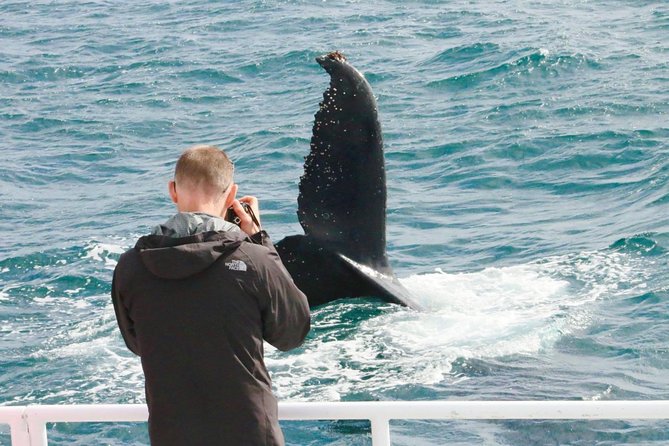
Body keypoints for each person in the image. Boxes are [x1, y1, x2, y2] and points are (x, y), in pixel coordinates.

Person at [111, 145, 310, 446]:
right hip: (250, 434)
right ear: (231, 195)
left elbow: (139, 344)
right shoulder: (253, 260)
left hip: (172, 435)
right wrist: (259, 239)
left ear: (172, 191)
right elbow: (292, 332)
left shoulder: (131, 267)